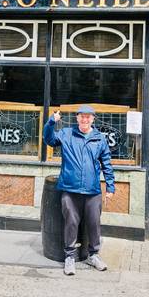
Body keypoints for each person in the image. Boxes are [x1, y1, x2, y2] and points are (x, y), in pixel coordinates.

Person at [43, 105, 115, 276]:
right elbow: (49, 139)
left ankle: (93, 255)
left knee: (94, 223)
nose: (85, 119)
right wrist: (51, 122)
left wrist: (110, 186)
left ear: (93, 119)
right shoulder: (67, 134)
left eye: (88, 117)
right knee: (71, 223)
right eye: (82, 116)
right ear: (77, 118)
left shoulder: (99, 138)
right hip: (70, 189)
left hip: (92, 190)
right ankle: (69, 257)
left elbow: (107, 164)